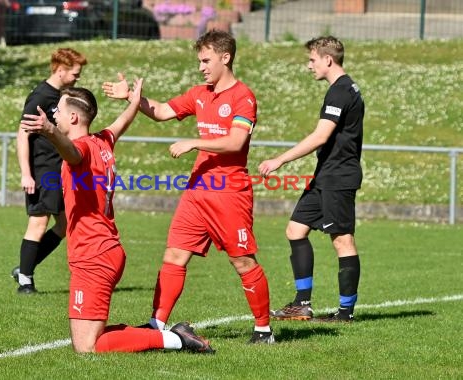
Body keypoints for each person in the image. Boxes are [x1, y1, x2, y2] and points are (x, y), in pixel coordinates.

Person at [102, 29, 274, 344]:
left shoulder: (243, 97)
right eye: (199, 61)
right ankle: (156, 324)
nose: (201, 67)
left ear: (226, 57)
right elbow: (163, 111)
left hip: (229, 192)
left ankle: (263, 329)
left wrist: (194, 142)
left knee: (242, 261)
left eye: (206, 60)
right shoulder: (199, 93)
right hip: (197, 191)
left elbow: (237, 141)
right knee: (174, 255)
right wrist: (132, 97)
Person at [20, 81, 214, 353]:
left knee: (87, 347)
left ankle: (176, 339)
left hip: (93, 255)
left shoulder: (83, 149)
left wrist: (50, 131)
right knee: (88, 339)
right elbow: (122, 122)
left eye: (58, 111)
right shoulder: (102, 140)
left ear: (73, 117)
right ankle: (164, 336)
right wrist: (133, 101)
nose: (54, 114)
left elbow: (71, 152)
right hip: (106, 250)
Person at [258, 36, 364, 322]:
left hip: (338, 178)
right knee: (295, 230)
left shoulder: (341, 91)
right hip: (324, 176)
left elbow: (321, 136)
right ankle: (302, 303)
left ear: (328, 60)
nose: (309, 66)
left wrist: (280, 159)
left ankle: (345, 313)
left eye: (312, 60)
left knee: (342, 240)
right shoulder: (341, 89)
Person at [11, 47, 87, 294]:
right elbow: (22, 135)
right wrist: (26, 173)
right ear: (61, 70)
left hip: (60, 170)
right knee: (39, 221)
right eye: (75, 73)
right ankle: (25, 281)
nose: (78, 78)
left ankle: (25, 267)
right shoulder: (41, 96)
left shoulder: (62, 96)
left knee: (64, 224)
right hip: (43, 169)